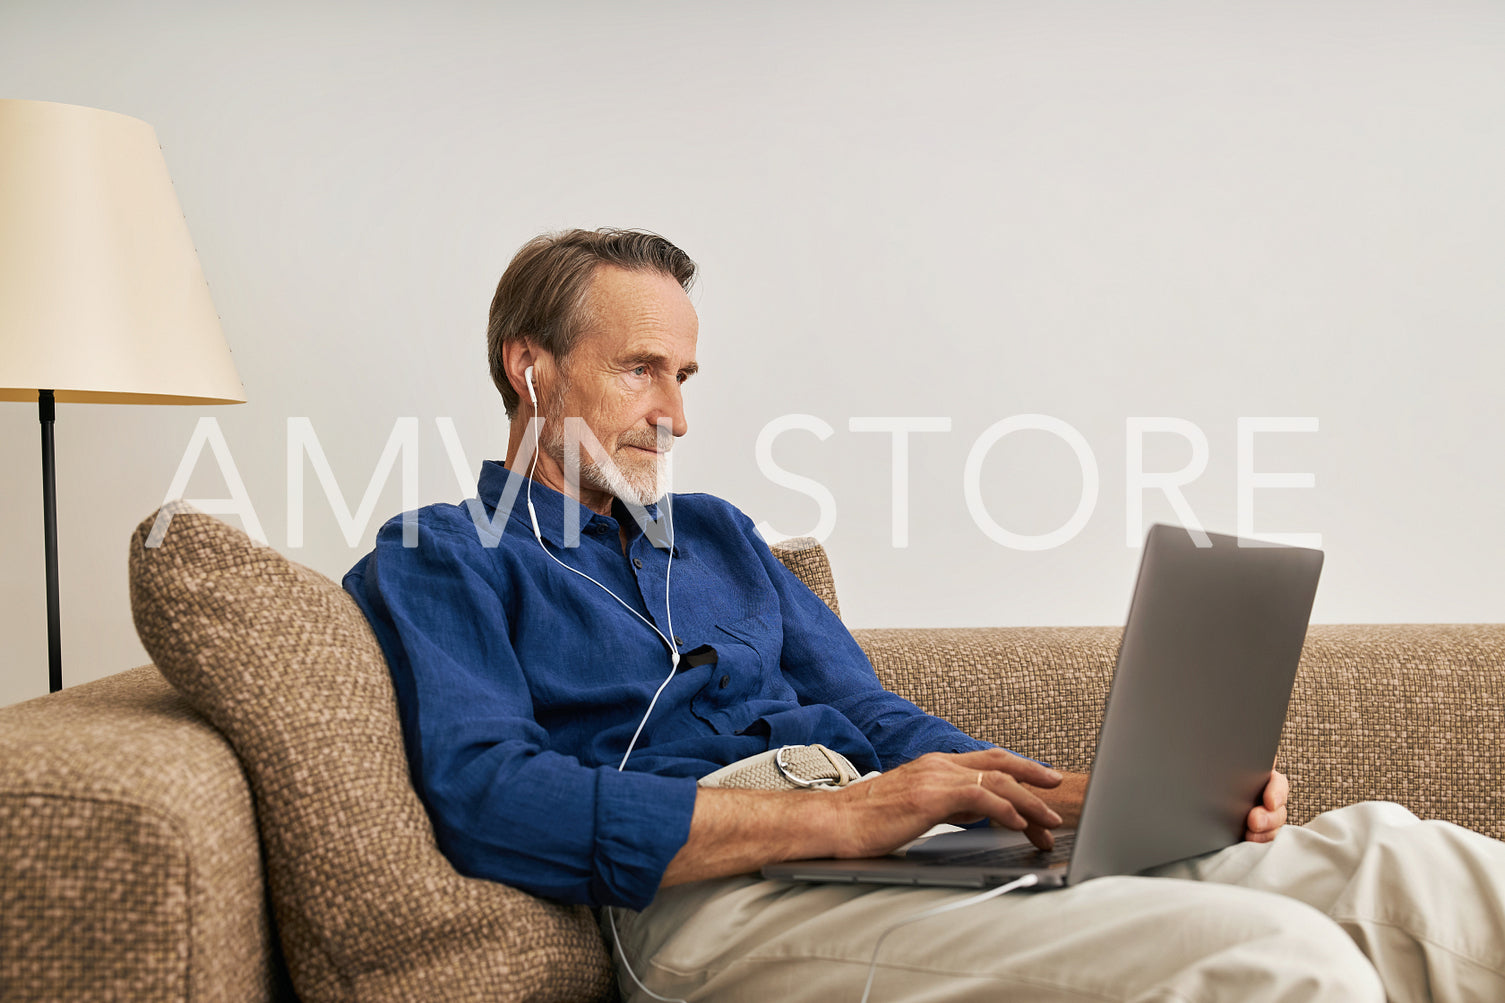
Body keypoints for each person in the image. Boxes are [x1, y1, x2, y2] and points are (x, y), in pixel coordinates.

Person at [345, 228, 1505, 1002]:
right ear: (529, 368)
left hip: (895, 851)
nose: (674, 417)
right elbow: (488, 796)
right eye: (641, 370)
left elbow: (868, 713)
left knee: (1406, 859)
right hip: (713, 900)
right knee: (1273, 962)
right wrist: (842, 821)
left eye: (685, 379)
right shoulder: (437, 556)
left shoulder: (715, 535)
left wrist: (1078, 798)